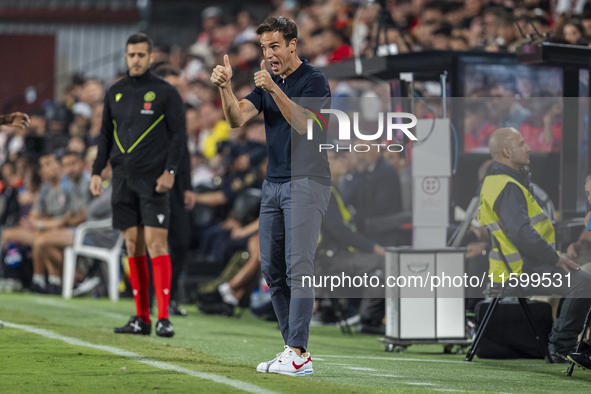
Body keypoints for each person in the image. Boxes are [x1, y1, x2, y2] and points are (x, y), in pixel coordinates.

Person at [210, 15, 332, 376]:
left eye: (275, 46)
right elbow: (236, 119)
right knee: (272, 270)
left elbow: (307, 125)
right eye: (264, 47)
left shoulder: (314, 79)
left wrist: (275, 89)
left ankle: (297, 350)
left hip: (307, 182)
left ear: (293, 44)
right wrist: (225, 87)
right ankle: (292, 353)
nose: (269, 53)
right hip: (274, 183)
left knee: (299, 268)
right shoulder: (266, 83)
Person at [90, 33, 187, 338]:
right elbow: (105, 134)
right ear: (126, 56)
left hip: (153, 180)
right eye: (131, 55)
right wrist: (97, 170)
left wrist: (170, 171)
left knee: (157, 245)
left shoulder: (165, 92)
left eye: (141, 55)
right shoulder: (115, 92)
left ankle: (164, 317)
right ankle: (141, 318)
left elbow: (178, 136)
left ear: (149, 57)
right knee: (133, 246)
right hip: (122, 179)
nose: (135, 60)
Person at [478, 127, 591, 363]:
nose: (528, 148)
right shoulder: (507, 185)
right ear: (507, 151)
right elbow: (521, 233)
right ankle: (562, 347)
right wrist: (555, 258)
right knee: (583, 282)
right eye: (522, 144)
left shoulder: (499, 182)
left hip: (516, 268)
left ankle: (562, 344)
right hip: (520, 272)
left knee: (579, 278)